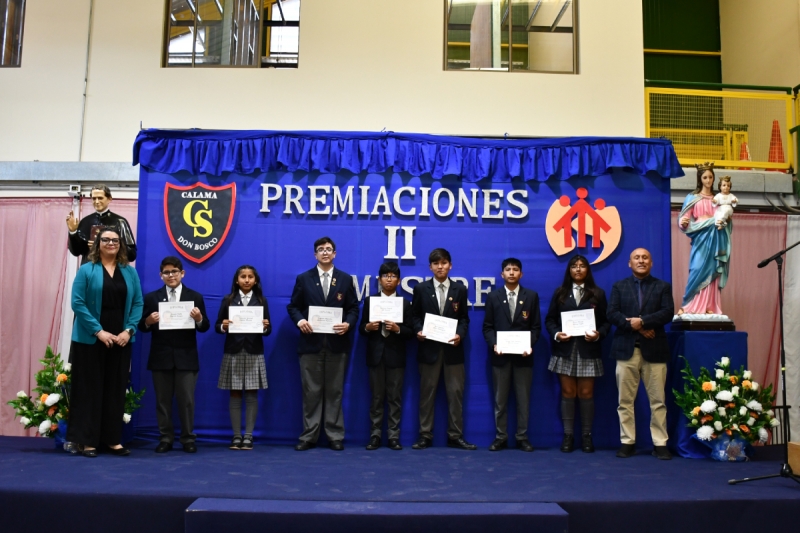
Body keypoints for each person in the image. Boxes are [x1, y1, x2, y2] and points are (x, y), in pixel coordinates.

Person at [66, 227, 143, 457]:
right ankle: (87, 441)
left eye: (116, 240)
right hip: (91, 339)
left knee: (115, 390)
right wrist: (99, 332)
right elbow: (77, 303)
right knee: (89, 390)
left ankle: (112, 440)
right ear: (97, 243)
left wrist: (128, 331)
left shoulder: (130, 273)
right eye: (106, 239)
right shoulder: (86, 270)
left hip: (121, 340)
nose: (111, 243)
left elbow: (138, 303)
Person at [287, 237, 359, 451]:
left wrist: (348, 324)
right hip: (311, 344)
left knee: (335, 392)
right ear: (315, 255)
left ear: (335, 254)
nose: (325, 253)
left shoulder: (345, 279)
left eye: (329, 249)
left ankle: (335, 435)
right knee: (311, 392)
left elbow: (354, 308)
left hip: (337, 343)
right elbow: (293, 307)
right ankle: (309, 435)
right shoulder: (304, 278)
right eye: (321, 250)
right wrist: (300, 321)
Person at [607, 248, 674, 460]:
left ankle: (660, 442)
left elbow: (667, 312)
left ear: (651, 263)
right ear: (629, 263)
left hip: (655, 350)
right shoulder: (619, 286)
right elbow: (612, 314)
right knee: (624, 401)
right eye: (636, 257)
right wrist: (637, 327)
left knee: (658, 401)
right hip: (626, 350)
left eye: (645, 257)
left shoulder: (662, 286)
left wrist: (643, 321)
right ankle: (627, 441)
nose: (641, 260)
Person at [138, 256, 210, 453]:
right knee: (162, 401)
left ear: (182, 273)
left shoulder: (195, 296)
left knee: (186, 401)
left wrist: (199, 318)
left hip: (186, 357)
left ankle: (188, 438)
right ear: (161, 275)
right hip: (161, 356)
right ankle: (166, 438)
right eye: (166, 273)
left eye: (174, 272)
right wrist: (148, 322)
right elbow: (141, 327)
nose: (171, 276)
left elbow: (205, 327)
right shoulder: (152, 298)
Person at [411, 248, 475, 450]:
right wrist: (418, 330)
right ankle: (425, 435)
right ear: (430, 267)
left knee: (455, 394)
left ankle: (455, 435)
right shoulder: (421, 289)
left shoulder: (460, 290)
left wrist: (460, 334)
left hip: (453, 351)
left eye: (444, 263)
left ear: (450, 265)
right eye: (436, 263)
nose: (440, 267)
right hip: (428, 350)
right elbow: (414, 317)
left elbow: (464, 318)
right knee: (426, 394)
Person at [545, 255, 610, 453]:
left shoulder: (597, 294)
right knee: (567, 393)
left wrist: (599, 334)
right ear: (569, 270)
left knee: (586, 393)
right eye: (574, 266)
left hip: (588, 349)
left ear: (587, 270)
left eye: (582, 266)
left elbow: (606, 322)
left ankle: (587, 436)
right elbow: (550, 320)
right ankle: (568, 435)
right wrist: (556, 334)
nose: (578, 269)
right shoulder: (560, 293)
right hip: (565, 350)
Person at [482, 258, 540, 452]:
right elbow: (488, 327)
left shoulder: (531, 296)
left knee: (523, 400)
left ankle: (522, 437)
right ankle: (501, 437)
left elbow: (536, 327)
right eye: (508, 270)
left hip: (524, 357)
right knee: (500, 400)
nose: (512, 273)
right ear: (502, 274)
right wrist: (494, 344)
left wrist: (530, 344)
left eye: (516, 270)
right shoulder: (493, 297)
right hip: (501, 357)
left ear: (521, 274)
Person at [215, 265, 272, 451]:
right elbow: (217, 326)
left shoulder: (261, 301)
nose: (246, 280)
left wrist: (265, 326)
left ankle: (248, 435)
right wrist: (223, 325)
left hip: (254, 351)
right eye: (243, 277)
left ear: (255, 280)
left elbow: (268, 330)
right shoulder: (228, 300)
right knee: (235, 393)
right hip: (233, 351)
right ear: (236, 280)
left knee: (252, 394)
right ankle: (236, 436)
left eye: (250, 277)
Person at [359, 261, 414, 451]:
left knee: (395, 398)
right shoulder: (369, 301)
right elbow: (360, 328)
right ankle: (375, 436)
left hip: (396, 357)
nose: (388, 279)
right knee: (376, 398)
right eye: (385, 276)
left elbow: (411, 332)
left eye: (392, 276)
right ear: (379, 280)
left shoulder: (405, 304)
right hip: (375, 356)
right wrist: (368, 327)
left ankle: (393, 436)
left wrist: (399, 329)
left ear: (398, 281)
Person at [677, 163, 731, 315]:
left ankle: (710, 306)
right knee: (696, 268)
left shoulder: (718, 198)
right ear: (700, 179)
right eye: (705, 177)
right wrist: (684, 223)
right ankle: (688, 305)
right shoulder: (693, 198)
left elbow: (726, 218)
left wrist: (726, 219)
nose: (708, 180)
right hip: (700, 238)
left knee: (712, 271)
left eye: (710, 177)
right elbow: (684, 218)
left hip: (715, 238)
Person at [66, 184, 136, 264]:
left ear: (109, 199)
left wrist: (109, 246)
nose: (96, 202)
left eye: (100, 198)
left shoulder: (120, 222)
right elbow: (76, 252)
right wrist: (73, 232)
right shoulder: (85, 221)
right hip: (90, 271)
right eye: (94, 198)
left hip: (113, 270)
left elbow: (131, 255)